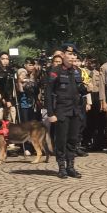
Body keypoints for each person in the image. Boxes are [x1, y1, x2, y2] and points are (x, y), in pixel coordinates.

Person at [45, 49, 87, 178]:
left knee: (73, 139)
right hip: (61, 110)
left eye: (74, 54)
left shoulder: (77, 71)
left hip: (75, 110)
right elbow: (48, 93)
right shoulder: (55, 71)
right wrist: (51, 113)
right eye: (69, 54)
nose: (72, 57)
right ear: (63, 56)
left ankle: (70, 166)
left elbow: (80, 90)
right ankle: (61, 167)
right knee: (61, 140)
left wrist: (85, 89)